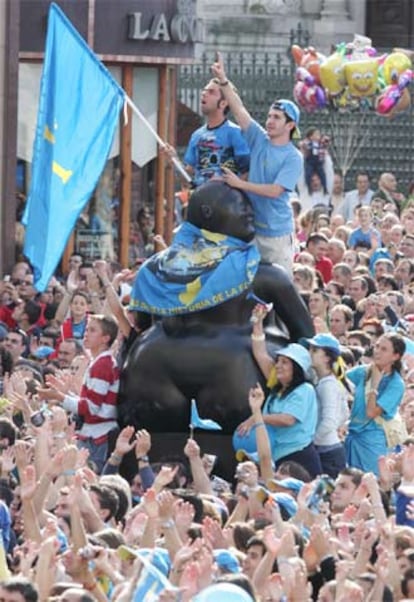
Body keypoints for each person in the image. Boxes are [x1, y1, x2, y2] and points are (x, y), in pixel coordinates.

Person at [210, 52, 303, 273]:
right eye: (269, 116)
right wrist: (223, 80)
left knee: (279, 289)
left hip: (277, 235)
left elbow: (274, 191)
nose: (269, 121)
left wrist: (239, 184)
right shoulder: (259, 139)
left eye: (277, 118)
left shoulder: (293, 156)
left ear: (290, 126)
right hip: (252, 230)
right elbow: (239, 109)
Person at [234, 304, 321, 478]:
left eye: (285, 362)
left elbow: (288, 419)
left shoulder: (305, 389)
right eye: (278, 360)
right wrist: (257, 323)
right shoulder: (277, 387)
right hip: (277, 456)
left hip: (299, 457)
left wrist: (256, 418)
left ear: (297, 368)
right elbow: (260, 353)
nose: (278, 366)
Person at [39, 314, 120, 473]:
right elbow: (88, 402)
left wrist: (59, 397)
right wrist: (65, 392)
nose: (86, 333)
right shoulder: (100, 362)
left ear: (105, 338)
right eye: (87, 329)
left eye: (92, 330)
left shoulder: (103, 364)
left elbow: (90, 408)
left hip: (98, 439)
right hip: (93, 435)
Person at [164, 78, 250, 186]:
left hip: (226, 200)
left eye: (211, 92)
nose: (204, 94)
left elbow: (247, 173)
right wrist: (174, 161)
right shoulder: (197, 135)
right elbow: (186, 179)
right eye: (204, 90)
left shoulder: (236, 133)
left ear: (223, 103)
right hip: (201, 199)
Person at [345, 332, 406, 475]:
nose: (377, 351)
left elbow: (371, 413)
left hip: (372, 442)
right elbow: (340, 382)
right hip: (352, 435)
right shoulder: (362, 372)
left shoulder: (396, 384)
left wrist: (374, 386)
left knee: (371, 485)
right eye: (377, 346)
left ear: (395, 356)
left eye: (384, 349)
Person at [306, 333, 349, 478]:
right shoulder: (329, 381)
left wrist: (311, 443)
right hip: (331, 450)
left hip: (327, 453)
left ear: (327, 357)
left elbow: (329, 421)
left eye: (315, 350)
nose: (309, 353)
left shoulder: (328, 385)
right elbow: (344, 414)